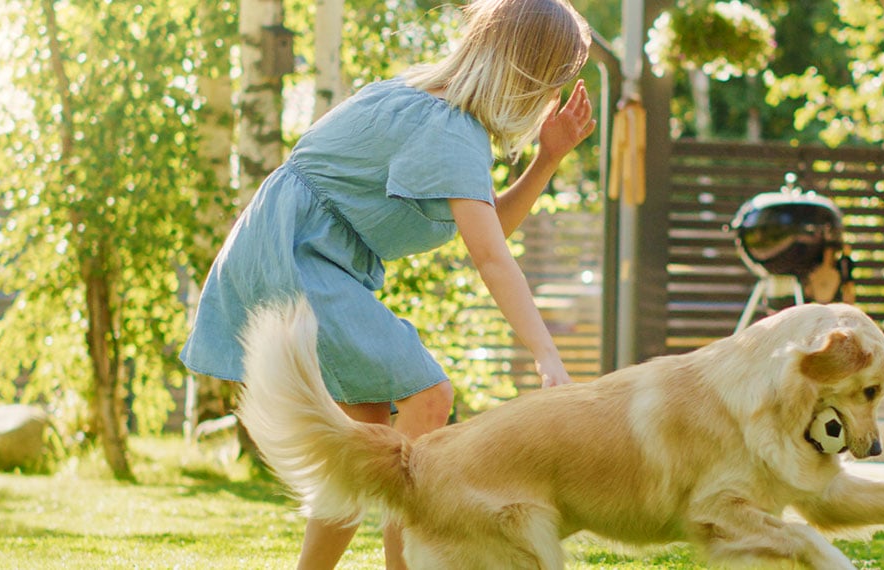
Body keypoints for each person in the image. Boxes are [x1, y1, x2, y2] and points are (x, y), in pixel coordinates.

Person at [177, 0, 594, 567]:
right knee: (428, 394)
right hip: (295, 254)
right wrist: (546, 354)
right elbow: (492, 257)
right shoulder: (451, 129)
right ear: (527, 75)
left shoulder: (431, 111)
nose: (553, 98)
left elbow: (487, 226)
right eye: (555, 83)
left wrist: (546, 159)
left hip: (286, 248)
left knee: (366, 441)